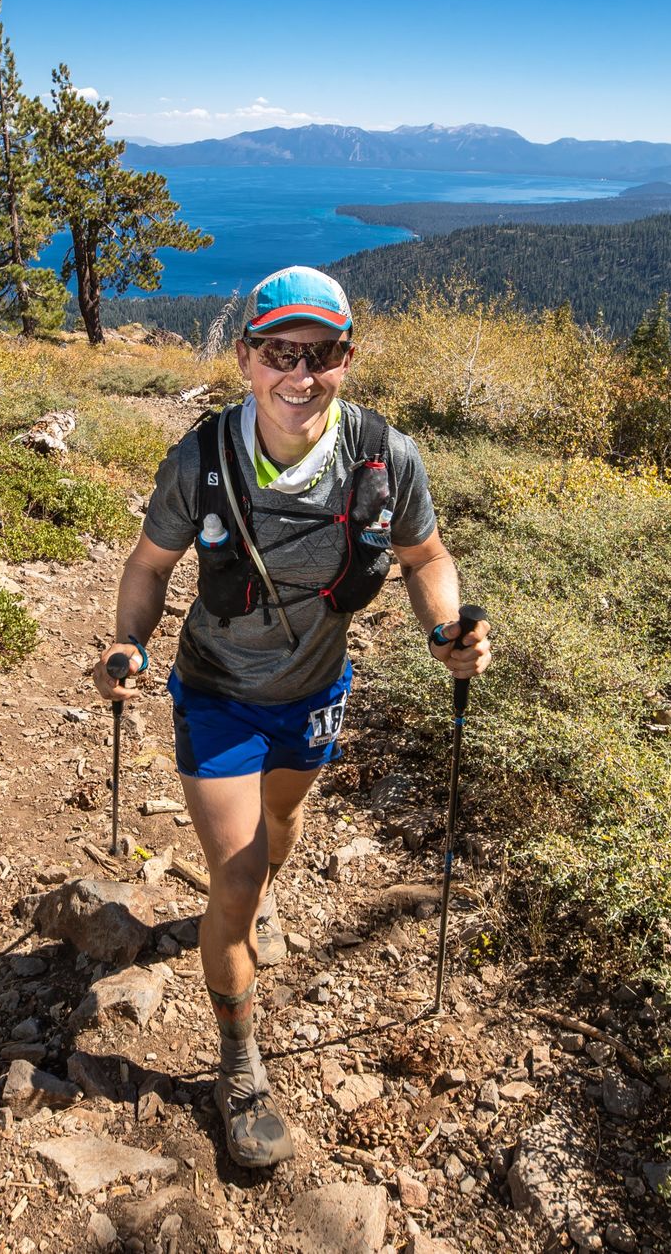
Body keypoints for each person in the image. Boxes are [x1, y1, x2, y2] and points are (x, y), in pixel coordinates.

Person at [93, 266, 491, 1168]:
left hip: (315, 693)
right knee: (233, 878)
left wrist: (445, 628)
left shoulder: (386, 457)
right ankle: (239, 1064)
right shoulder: (201, 458)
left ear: (347, 360)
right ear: (245, 358)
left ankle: (264, 898)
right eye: (280, 352)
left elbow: (428, 555)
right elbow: (150, 567)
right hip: (218, 693)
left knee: (283, 822)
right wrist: (127, 644)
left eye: (322, 354)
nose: (299, 375)